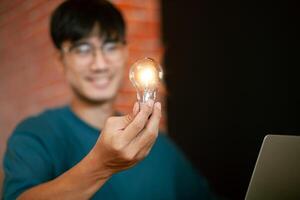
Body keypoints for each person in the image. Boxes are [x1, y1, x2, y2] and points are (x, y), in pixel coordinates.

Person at [2, 0, 215, 199]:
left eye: (111, 46)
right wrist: (102, 165)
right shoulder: (36, 135)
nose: (99, 64)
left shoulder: (154, 144)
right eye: (82, 49)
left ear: (125, 53)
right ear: (61, 61)